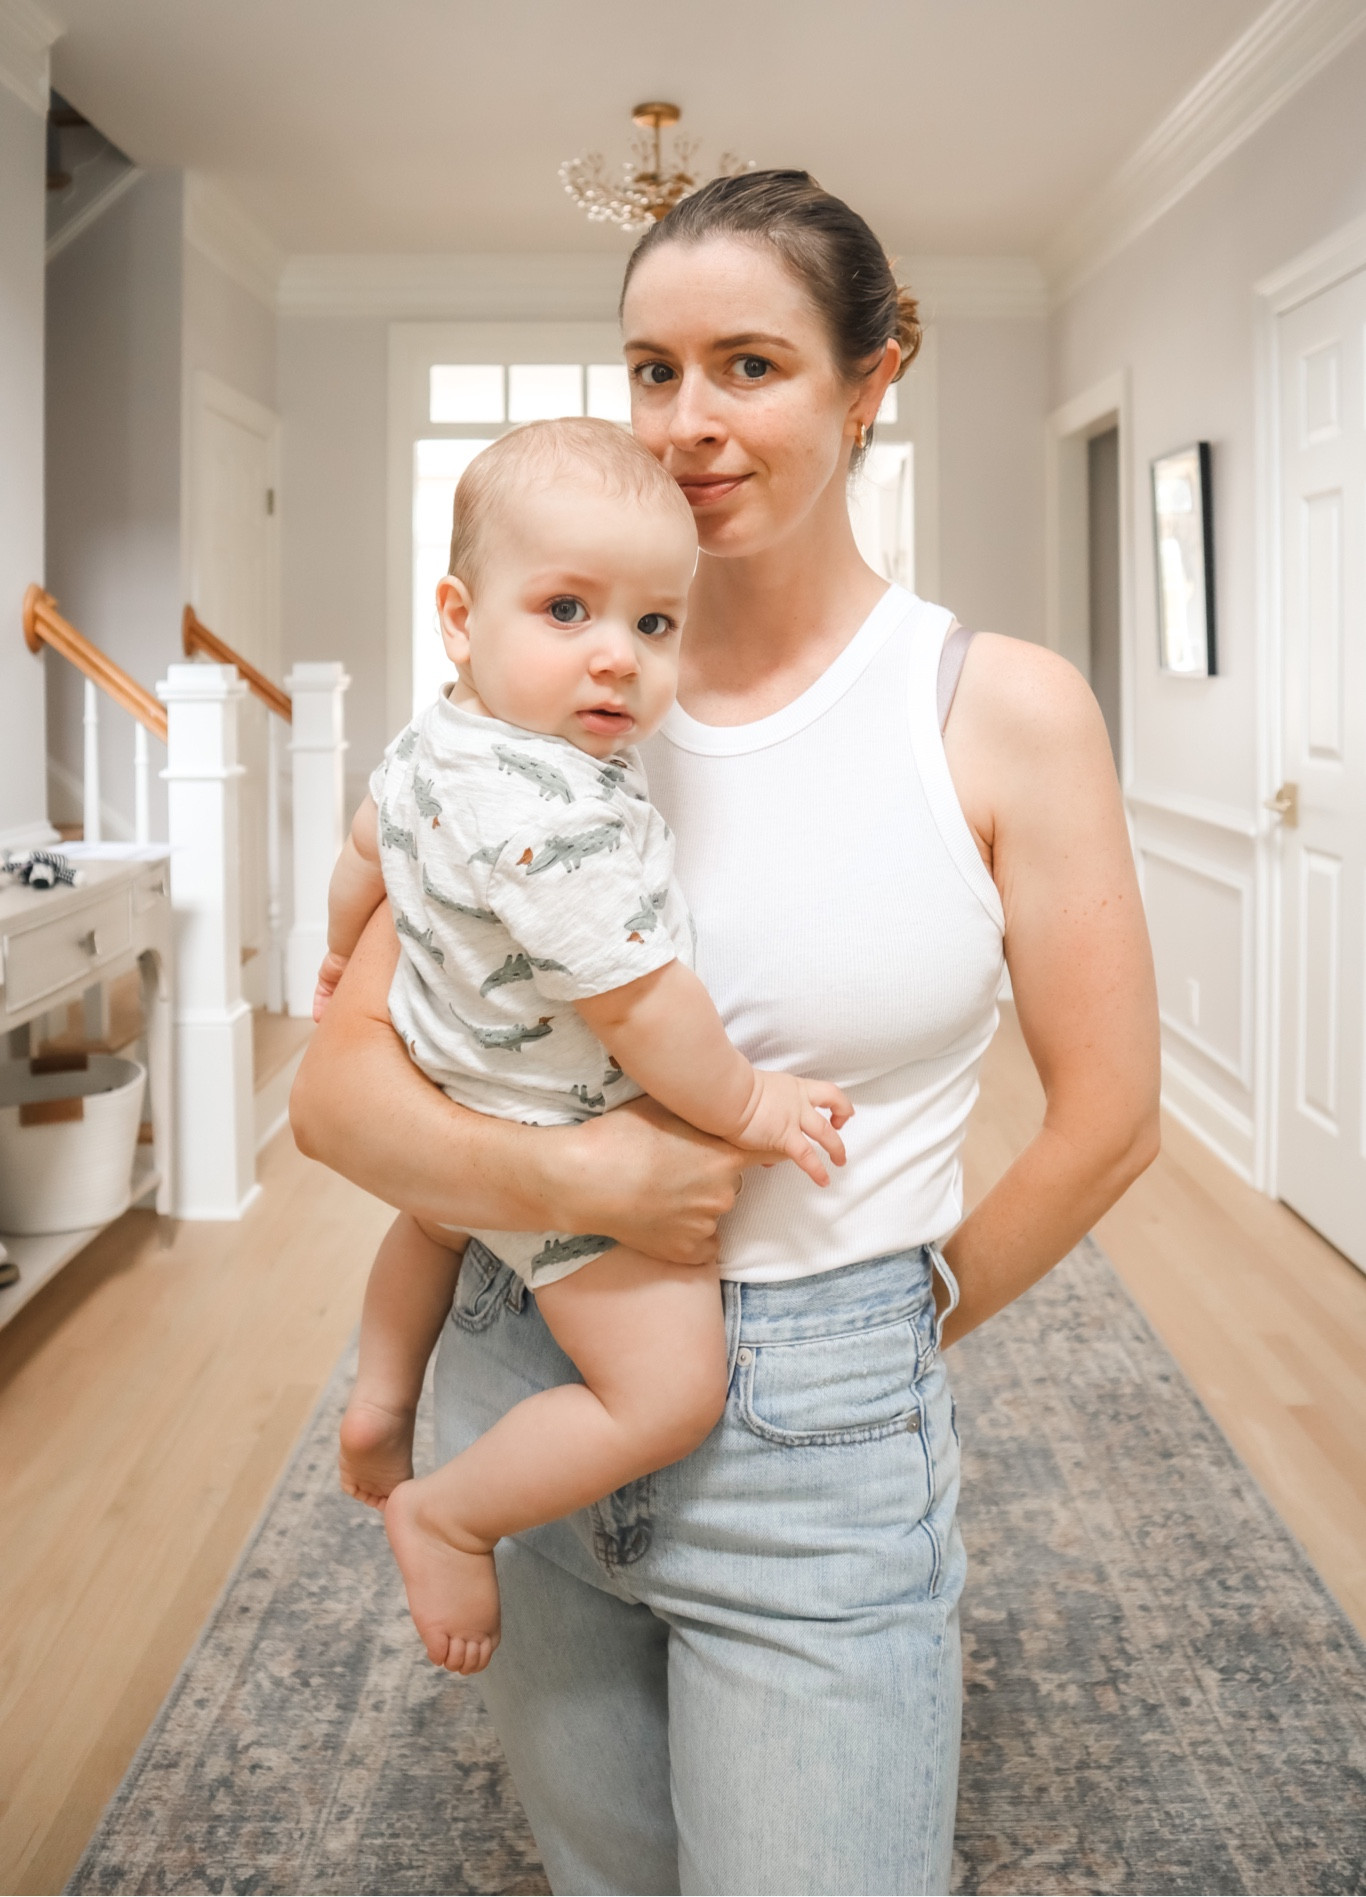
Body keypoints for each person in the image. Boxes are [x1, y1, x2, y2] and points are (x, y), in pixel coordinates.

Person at [292, 169, 1160, 1896]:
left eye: (748, 365)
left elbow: (1110, 1117)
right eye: (652, 369)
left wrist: (887, 1334)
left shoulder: (992, 709)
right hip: (523, 1366)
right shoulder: (544, 709)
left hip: (820, 1435)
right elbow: (336, 1095)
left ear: (870, 378)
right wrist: (586, 1181)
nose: (686, 421)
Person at [316, 418, 850, 1676]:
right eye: (567, 611)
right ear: (460, 618)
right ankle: (450, 1513)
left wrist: (342, 958)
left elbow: (362, 847)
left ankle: (381, 1397)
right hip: (556, 1126)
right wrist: (752, 1106)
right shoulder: (555, 816)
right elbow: (642, 1007)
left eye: (654, 623)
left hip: (450, 1085)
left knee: (433, 1221)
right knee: (665, 1395)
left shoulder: (437, 737)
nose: (617, 656)